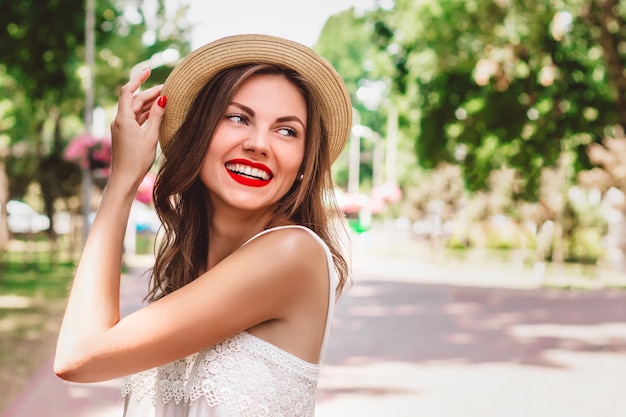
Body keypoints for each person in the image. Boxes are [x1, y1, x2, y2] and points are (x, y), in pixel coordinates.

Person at [53, 33, 353, 417]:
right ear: (200, 133)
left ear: (303, 164)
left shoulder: (292, 253)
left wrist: (123, 180)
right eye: (238, 118)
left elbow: (77, 356)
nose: (259, 144)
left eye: (286, 130)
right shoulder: (181, 278)